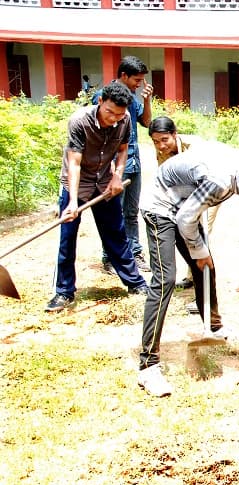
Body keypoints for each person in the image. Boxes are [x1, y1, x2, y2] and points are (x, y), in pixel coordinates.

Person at [137, 145, 239, 397]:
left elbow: (190, 212)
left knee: (206, 268)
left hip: (187, 205)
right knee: (165, 280)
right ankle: (148, 365)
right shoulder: (220, 179)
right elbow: (185, 219)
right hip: (161, 205)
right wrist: (198, 250)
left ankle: (214, 329)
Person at [45, 82, 149, 313]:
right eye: (109, 112)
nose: (113, 118)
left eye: (119, 114)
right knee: (67, 238)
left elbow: (123, 150)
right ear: (100, 102)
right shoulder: (80, 121)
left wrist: (116, 177)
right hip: (76, 185)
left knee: (116, 234)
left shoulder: (124, 120)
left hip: (104, 183)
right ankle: (63, 292)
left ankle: (135, 283)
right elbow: (74, 163)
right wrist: (72, 201)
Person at [94, 56, 154, 274]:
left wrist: (147, 100)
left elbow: (146, 122)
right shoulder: (104, 98)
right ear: (123, 76)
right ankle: (110, 257)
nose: (139, 84)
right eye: (136, 80)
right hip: (112, 165)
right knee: (112, 212)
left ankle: (134, 253)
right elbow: (98, 131)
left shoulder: (132, 99)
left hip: (133, 162)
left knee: (131, 211)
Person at [148, 116, 208, 297]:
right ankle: (193, 277)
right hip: (182, 194)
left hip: (206, 192)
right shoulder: (160, 149)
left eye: (165, 140)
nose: (161, 146)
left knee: (201, 233)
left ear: (175, 134)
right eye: (155, 141)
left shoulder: (194, 147)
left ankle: (204, 290)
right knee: (183, 231)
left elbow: (206, 178)